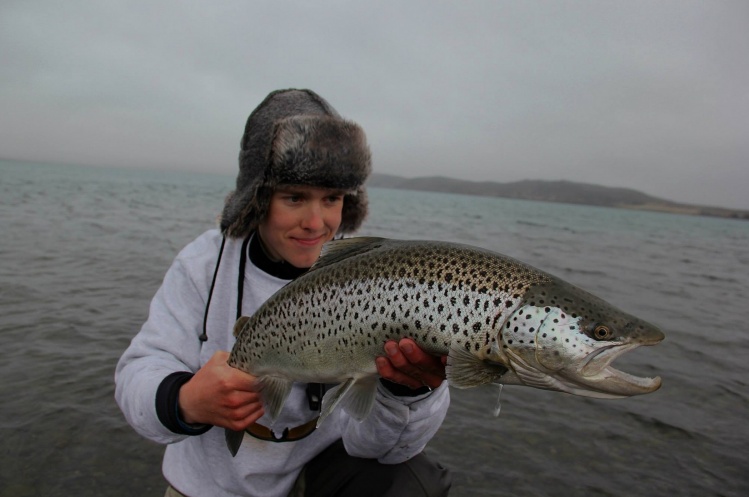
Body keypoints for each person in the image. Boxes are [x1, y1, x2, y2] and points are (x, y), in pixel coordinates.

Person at [115, 89, 452, 497]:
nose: (316, 222)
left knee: (416, 482)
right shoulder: (202, 263)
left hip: (317, 480)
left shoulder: (375, 275)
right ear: (256, 200)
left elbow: (383, 448)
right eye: (295, 197)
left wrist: (408, 391)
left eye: (332, 199)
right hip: (206, 488)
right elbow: (139, 371)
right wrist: (185, 400)